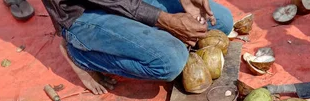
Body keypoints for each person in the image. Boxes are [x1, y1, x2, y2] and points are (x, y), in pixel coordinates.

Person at [41, 0, 234, 94]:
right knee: (170, 62)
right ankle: (76, 53)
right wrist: (163, 20)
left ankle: (145, 36)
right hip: (81, 12)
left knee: (221, 21)